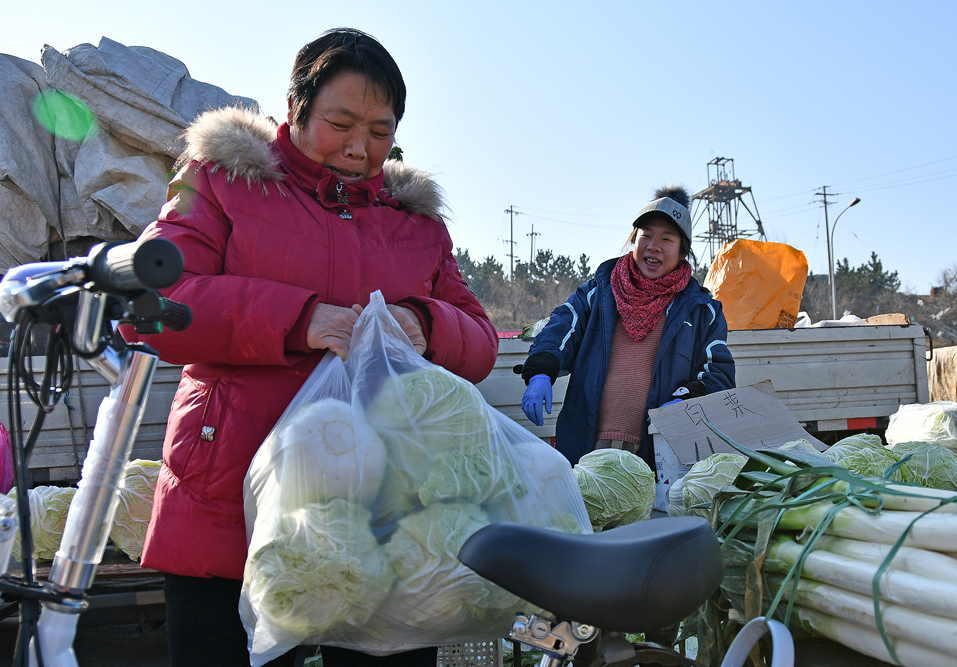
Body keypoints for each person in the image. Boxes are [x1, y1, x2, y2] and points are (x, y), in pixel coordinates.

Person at [123, 28, 498, 667]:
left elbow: (481, 340)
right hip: (227, 499)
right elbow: (149, 305)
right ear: (295, 107)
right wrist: (298, 319)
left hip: (381, 510)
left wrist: (426, 324)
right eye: (341, 122)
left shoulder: (416, 222)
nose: (360, 148)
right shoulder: (220, 180)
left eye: (381, 131)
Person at [518, 185, 735, 468]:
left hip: (659, 454)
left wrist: (688, 401)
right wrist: (540, 371)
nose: (653, 245)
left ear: (683, 252)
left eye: (667, 239)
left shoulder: (702, 311)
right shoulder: (599, 293)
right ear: (633, 241)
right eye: (646, 235)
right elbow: (562, 326)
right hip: (586, 447)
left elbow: (719, 374)